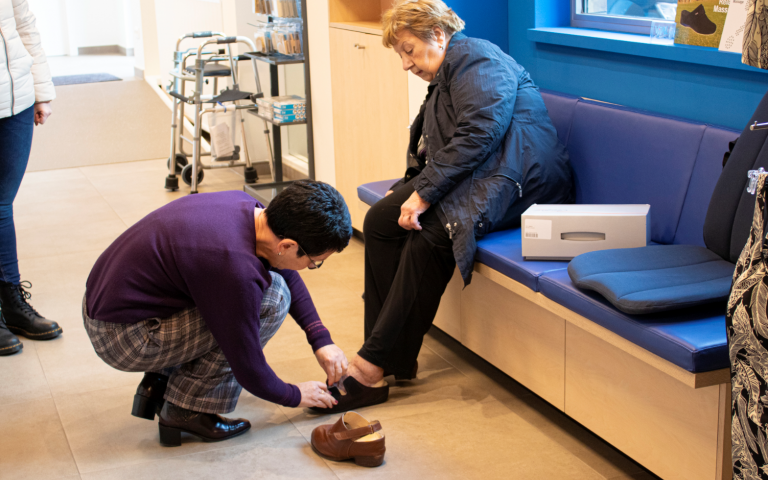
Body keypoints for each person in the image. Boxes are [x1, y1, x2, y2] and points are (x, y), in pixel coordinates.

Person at [319, 0, 574, 413]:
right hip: (488, 170)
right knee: (382, 220)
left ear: (437, 34)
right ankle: (392, 356)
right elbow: (437, 143)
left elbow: (479, 132)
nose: (405, 64)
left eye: (408, 49)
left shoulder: (479, 59)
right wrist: (408, 187)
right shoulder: (450, 70)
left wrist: (423, 195)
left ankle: (369, 368)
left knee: (434, 234)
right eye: (400, 53)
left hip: (523, 179)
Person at [83, 181, 352, 446]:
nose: (310, 267)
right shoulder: (234, 269)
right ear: (287, 246)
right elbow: (248, 366)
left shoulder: (246, 207)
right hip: (123, 338)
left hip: (112, 306)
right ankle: (187, 409)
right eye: (314, 262)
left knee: (263, 284)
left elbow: (284, 268)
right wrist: (294, 394)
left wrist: (320, 338)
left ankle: (160, 381)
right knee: (273, 299)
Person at [0, 0, 60, 356]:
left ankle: (12, 304)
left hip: (16, 99)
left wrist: (41, 91)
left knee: (1, 205)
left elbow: (25, 27)